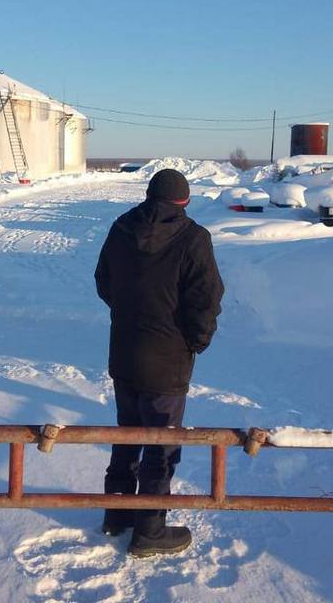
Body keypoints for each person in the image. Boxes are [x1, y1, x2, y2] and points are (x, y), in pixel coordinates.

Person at [94, 168, 224, 558]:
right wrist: (195, 341)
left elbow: (104, 280)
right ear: (183, 202)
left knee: (128, 434)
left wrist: (130, 314)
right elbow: (206, 299)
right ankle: (149, 530)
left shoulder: (121, 228)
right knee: (161, 444)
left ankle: (117, 515)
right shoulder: (193, 238)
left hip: (125, 354)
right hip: (166, 363)